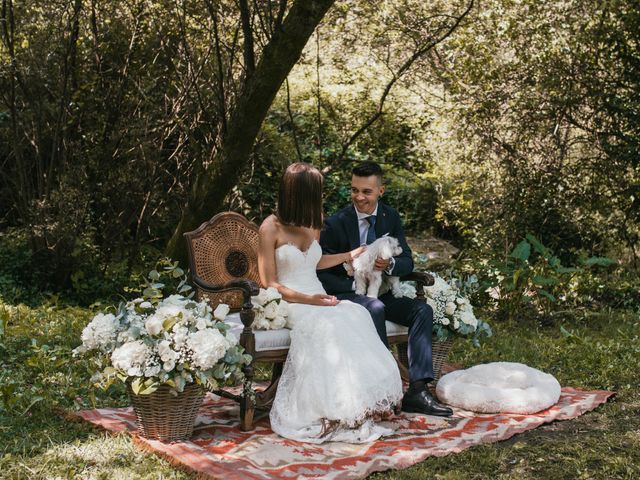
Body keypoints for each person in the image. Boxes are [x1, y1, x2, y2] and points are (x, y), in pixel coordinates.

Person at [258, 162, 403, 444]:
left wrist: (349, 254)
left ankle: (362, 404)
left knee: (355, 315)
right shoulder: (270, 227)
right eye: (316, 191)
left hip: (318, 295)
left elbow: (315, 261)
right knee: (327, 326)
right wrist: (309, 299)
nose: (320, 197)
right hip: (290, 299)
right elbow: (269, 284)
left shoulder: (313, 221)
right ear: (300, 193)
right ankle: (330, 407)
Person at [318, 161, 453, 417]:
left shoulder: (390, 217)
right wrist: (351, 275)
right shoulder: (336, 223)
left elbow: (408, 261)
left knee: (421, 310)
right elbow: (321, 270)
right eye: (354, 190)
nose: (359, 197)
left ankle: (418, 390)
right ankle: (382, 387)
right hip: (352, 295)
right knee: (374, 307)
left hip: (383, 292)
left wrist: (390, 263)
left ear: (381, 190)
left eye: (366, 191)